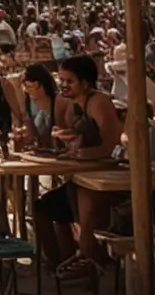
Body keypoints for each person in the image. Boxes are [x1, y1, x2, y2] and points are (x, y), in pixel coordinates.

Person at [34, 55, 123, 277]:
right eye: (61, 80)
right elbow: (71, 136)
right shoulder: (73, 106)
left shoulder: (98, 102)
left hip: (103, 182)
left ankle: (111, 272)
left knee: (87, 239)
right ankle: (59, 264)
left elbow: (112, 146)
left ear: (85, 83)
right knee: (41, 209)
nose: (63, 85)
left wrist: (80, 153)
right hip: (80, 179)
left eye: (69, 81)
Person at [16, 63, 62, 149]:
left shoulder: (58, 101)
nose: (26, 90)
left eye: (29, 86)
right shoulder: (28, 101)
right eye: (25, 87)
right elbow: (30, 130)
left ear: (41, 85)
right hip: (41, 151)